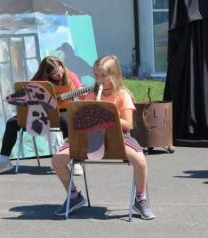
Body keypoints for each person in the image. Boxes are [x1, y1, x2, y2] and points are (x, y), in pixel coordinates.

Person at [51, 55, 155, 220]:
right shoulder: (90, 94)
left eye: (103, 76)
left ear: (114, 75)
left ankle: (140, 198)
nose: (99, 80)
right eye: (96, 75)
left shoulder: (122, 95)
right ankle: (74, 196)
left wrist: (108, 116)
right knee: (57, 160)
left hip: (118, 136)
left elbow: (128, 124)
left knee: (140, 161)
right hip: (90, 136)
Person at [0, 56, 82, 176]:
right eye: (55, 74)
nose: (60, 76)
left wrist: (84, 91)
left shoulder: (71, 76)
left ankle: (75, 160)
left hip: (62, 111)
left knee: (66, 120)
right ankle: (3, 161)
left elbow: (82, 94)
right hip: (41, 113)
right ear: (47, 74)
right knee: (12, 122)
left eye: (61, 71)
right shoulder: (38, 80)